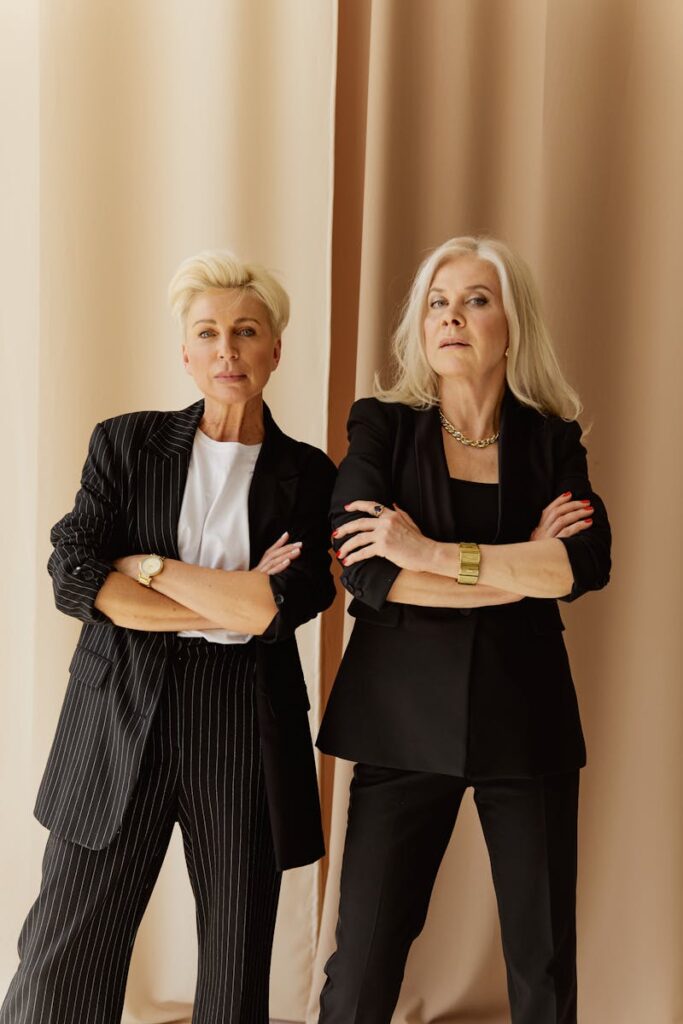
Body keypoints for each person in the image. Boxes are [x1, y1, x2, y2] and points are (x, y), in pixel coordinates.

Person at [1, 250, 336, 1024]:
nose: (228, 349)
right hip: (120, 711)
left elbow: (282, 606)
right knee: (64, 956)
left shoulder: (310, 476)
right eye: (209, 332)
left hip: (243, 724)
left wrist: (145, 569)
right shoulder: (123, 445)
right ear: (184, 352)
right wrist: (228, 601)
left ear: (274, 349)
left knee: (232, 969)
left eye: (246, 331)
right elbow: (76, 578)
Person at [316, 236, 611, 1024]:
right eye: (437, 303)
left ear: (511, 323)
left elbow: (583, 565)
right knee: (363, 963)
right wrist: (518, 570)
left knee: (541, 965)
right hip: (397, 724)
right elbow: (367, 575)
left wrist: (432, 554)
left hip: (528, 725)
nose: (452, 317)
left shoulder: (552, 440)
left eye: (475, 299)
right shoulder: (380, 426)